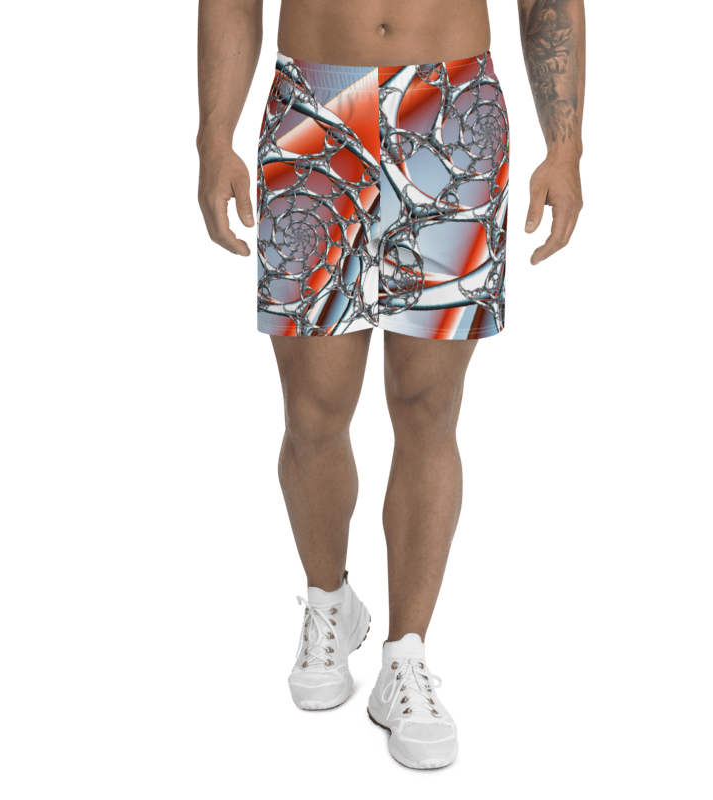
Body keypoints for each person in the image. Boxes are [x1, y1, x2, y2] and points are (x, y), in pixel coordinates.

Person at [197, 0, 585, 772]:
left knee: (427, 406)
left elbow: (547, 2)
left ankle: (406, 656)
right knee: (314, 408)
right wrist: (214, 137)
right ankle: (329, 601)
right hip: (313, 106)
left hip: (452, 106)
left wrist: (566, 145)